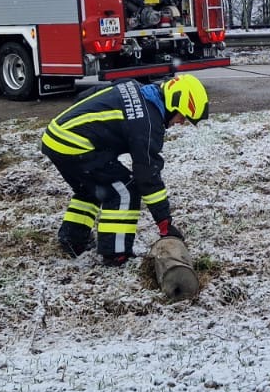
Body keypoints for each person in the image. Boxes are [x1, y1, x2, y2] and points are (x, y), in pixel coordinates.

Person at [40, 73, 208, 267]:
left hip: (55, 136)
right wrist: (165, 223)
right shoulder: (148, 123)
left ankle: (73, 240)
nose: (180, 122)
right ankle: (116, 254)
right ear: (174, 104)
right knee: (125, 190)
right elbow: (147, 176)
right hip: (73, 144)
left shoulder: (135, 87)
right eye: (182, 116)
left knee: (91, 189)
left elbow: (87, 95)